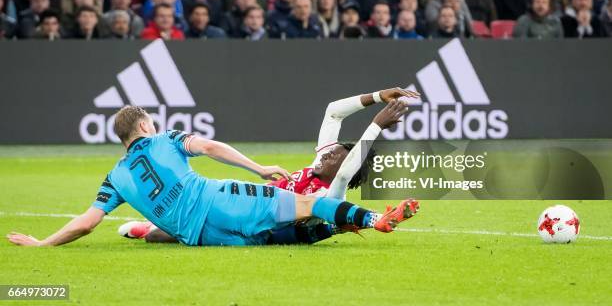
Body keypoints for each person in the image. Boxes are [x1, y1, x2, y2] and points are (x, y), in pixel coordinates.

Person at [113, 88, 420, 244]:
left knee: (326, 214)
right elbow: (332, 113)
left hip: (274, 228)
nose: (327, 155)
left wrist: (375, 126)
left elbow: (347, 168)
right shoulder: (318, 164)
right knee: (167, 235)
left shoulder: (333, 189)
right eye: (329, 151)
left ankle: (374, 219)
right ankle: (145, 231)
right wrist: (379, 96)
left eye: (334, 154)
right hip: (251, 204)